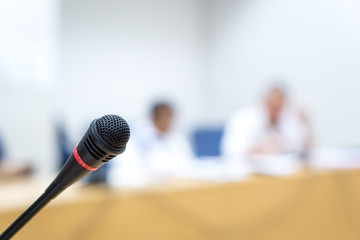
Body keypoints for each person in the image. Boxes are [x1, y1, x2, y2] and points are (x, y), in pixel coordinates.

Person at [108, 102, 193, 186]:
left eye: (170, 118)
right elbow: (120, 176)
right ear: (154, 118)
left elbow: (187, 165)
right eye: (164, 117)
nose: (168, 122)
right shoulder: (134, 136)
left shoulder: (177, 138)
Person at [221, 84, 312, 160]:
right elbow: (232, 153)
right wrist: (264, 149)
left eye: (280, 106)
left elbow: (302, 151)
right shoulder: (243, 119)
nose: (277, 110)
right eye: (273, 105)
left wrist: (305, 125)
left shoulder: (286, 118)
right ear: (264, 102)